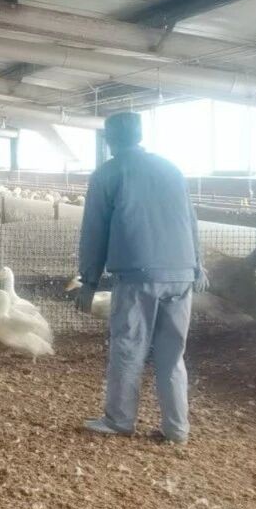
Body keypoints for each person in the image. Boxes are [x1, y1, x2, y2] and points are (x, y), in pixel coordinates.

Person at [76, 111, 205, 445]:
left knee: (129, 347)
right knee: (172, 355)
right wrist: (198, 266)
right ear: (140, 135)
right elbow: (191, 220)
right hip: (181, 273)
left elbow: (94, 230)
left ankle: (119, 419)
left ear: (109, 139)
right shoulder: (171, 169)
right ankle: (177, 428)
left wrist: (88, 281)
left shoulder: (108, 173)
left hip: (138, 274)